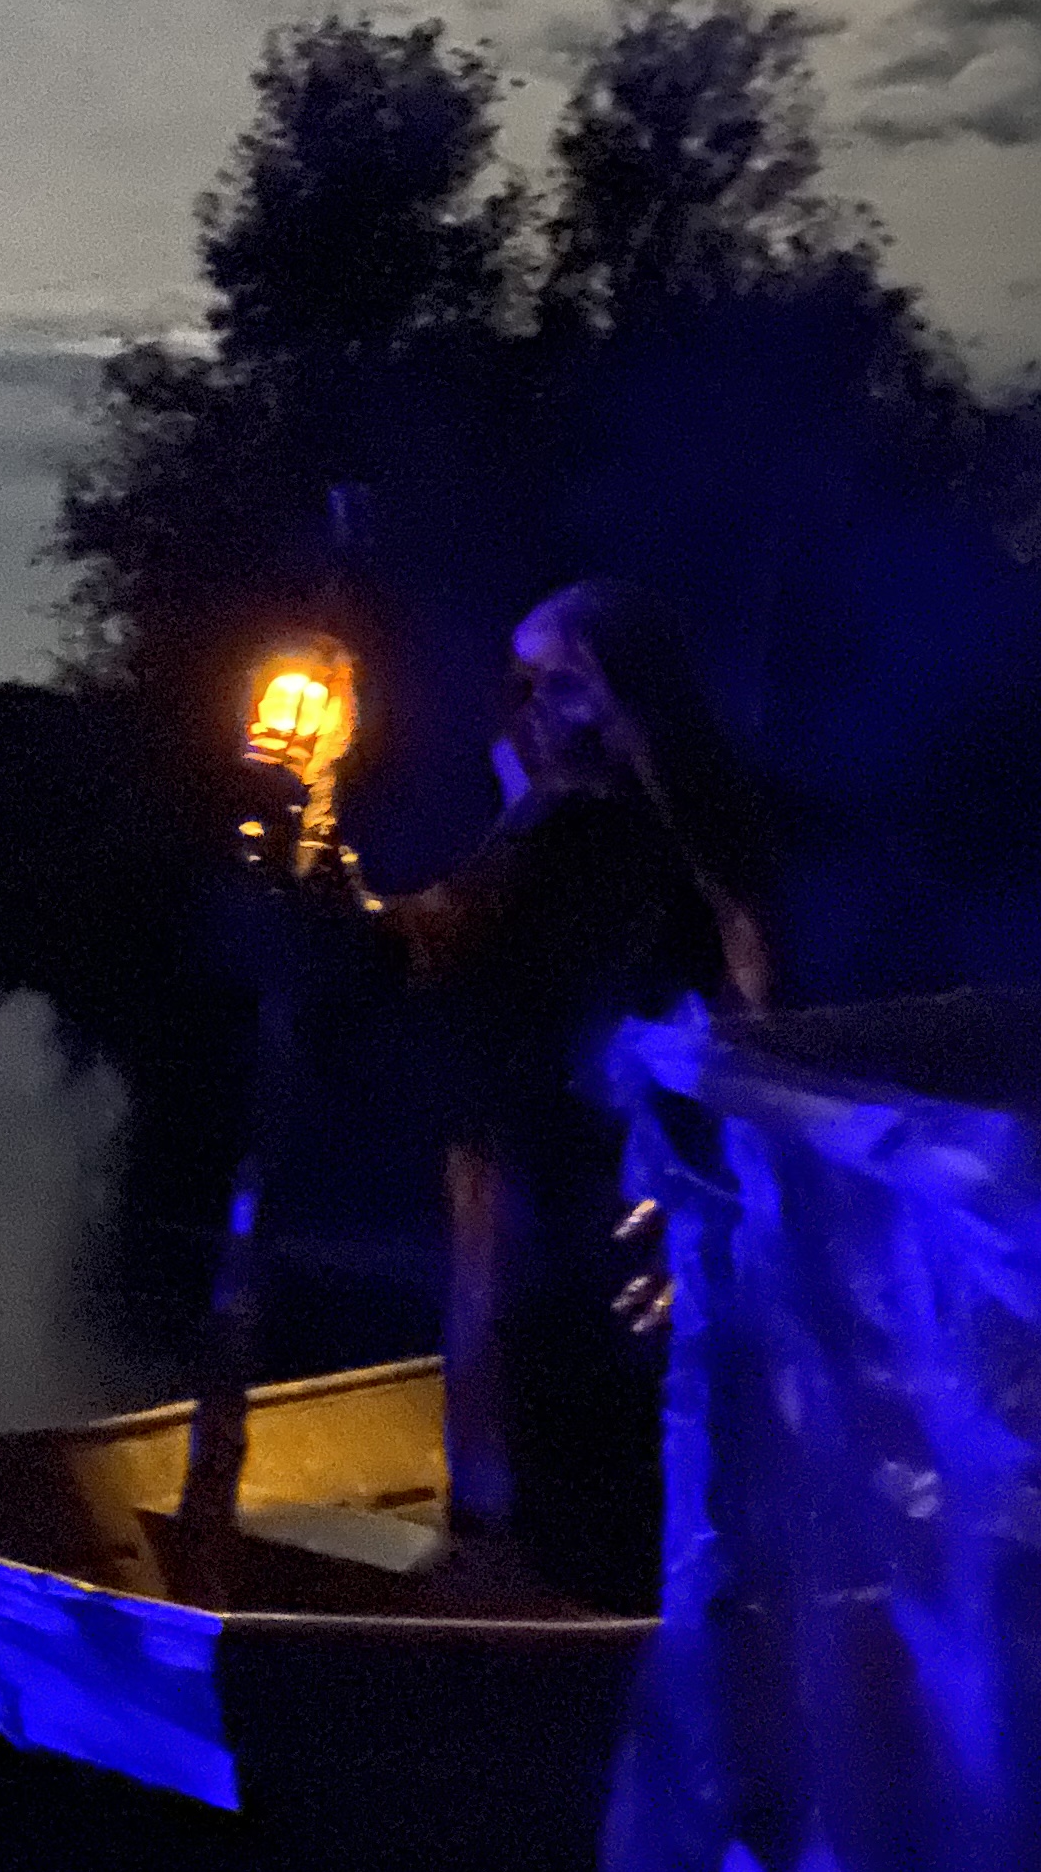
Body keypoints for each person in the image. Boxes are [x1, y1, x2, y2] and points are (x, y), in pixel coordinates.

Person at [278, 579, 779, 1611]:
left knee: (571, 1436)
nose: (529, 708)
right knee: (573, 1428)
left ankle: (560, 1635)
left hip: (587, 1191)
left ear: (622, 698)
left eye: (561, 682)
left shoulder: (619, 835)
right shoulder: (583, 829)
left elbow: (418, 948)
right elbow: (416, 949)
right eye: (524, 681)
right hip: (561, 1177)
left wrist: (319, 846)